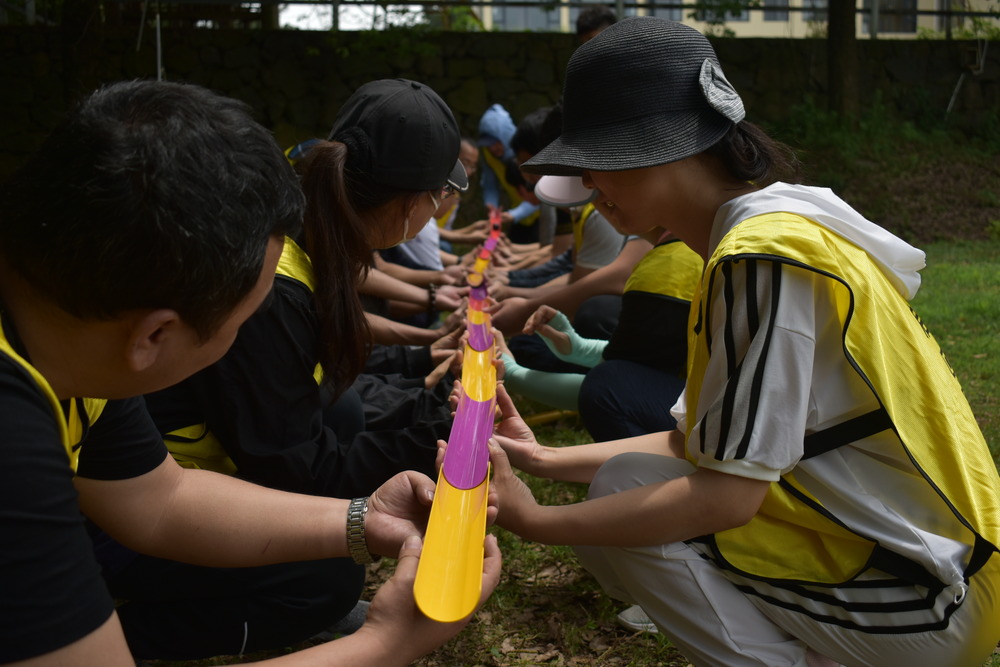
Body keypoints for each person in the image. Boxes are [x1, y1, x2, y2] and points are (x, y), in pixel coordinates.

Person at [485, 17, 1000, 667]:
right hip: (931, 568)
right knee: (626, 480)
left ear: (662, 146)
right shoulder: (763, 238)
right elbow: (691, 441)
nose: (591, 186)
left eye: (597, 162)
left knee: (627, 500)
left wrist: (536, 521)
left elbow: (727, 495)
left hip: (930, 597)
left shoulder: (762, 257)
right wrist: (540, 461)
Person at [0, 78, 501, 667]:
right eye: (240, 322)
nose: (248, 337)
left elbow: (163, 498)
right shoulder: (15, 445)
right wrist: (386, 644)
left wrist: (364, 519)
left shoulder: (77, 348)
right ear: (156, 335)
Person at [477, 103, 540, 244]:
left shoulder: (525, 153)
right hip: (520, 217)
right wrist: (491, 204)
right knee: (501, 247)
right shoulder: (489, 155)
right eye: (488, 144)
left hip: (541, 216)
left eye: (495, 142)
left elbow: (538, 197)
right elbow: (489, 181)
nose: (492, 148)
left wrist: (513, 215)